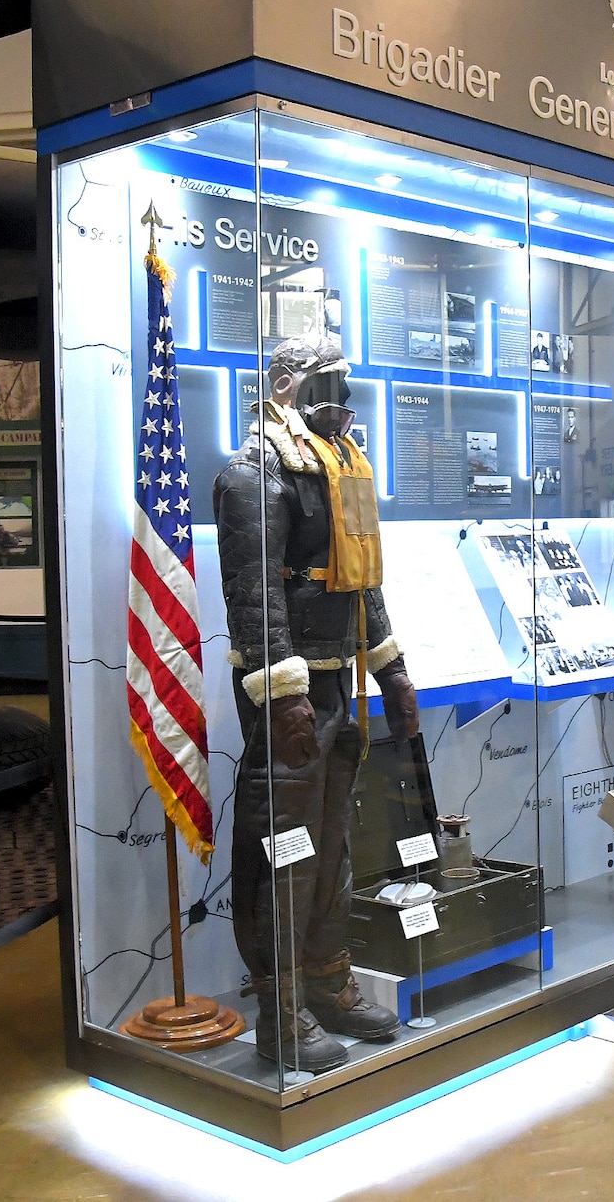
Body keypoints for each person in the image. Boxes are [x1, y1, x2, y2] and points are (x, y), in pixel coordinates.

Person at [214, 333, 421, 1075]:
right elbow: (253, 590)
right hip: (292, 698)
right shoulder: (253, 473)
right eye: (327, 380)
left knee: (331, 845)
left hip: (341, 682)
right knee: (285, 852)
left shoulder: (342, 468)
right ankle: (279, 1009)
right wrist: (284, 693)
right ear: (286, 385)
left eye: (344, 381)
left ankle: (329, 980)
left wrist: (391, 668)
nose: (341, 396)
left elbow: (362, 576)